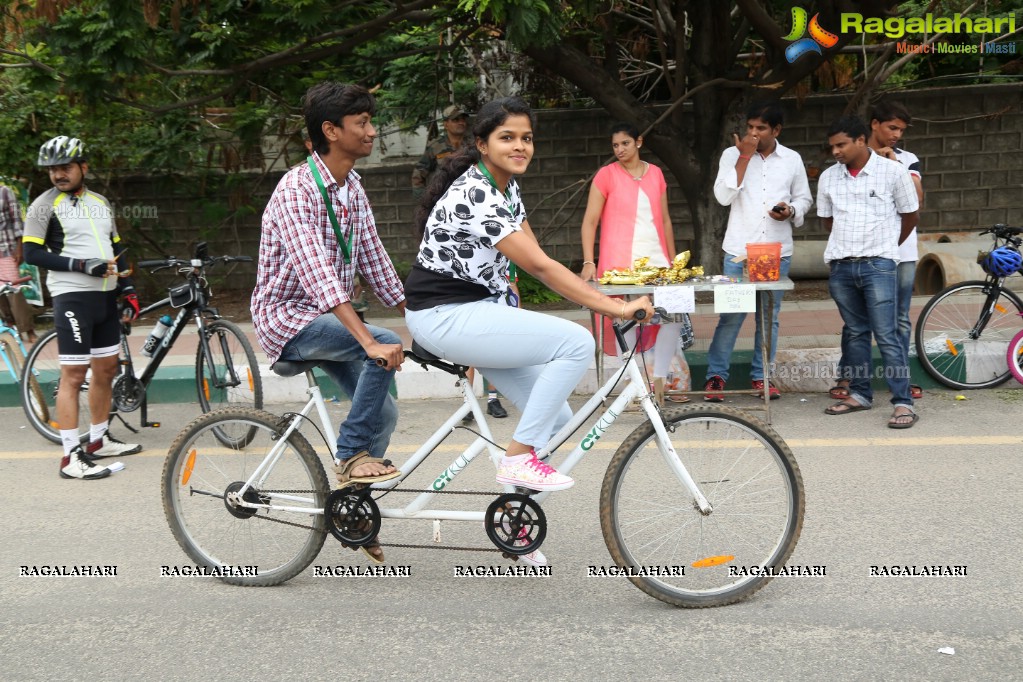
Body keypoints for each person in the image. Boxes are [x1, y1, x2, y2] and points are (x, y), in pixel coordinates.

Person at [404, 98, 654, 565]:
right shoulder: (476, 192)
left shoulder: (506, 188)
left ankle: (513, 524)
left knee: (557, 422)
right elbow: (541, 265)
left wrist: (593, 294)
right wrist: (615, 308)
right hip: (444, 314)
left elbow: (533, 256)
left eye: (526, 137)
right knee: (575, 341)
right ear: (481, 144)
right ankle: (517, 458)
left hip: (479, 312)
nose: (520, 146)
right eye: (507, 137)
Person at [252, 81, 406, 563]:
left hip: (327, 319)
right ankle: (351, 456)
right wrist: (371, 340)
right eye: (361, 123)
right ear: (330, 131)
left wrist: (427, 316)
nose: (372, 131)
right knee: (379, 342)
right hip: (287, 321)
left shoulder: (353, 187)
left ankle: (351, 510)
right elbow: (320, 277)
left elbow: (376, 264)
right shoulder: (297, 189)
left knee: (386, 413)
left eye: (369, 121)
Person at [23, 136, 142, 480]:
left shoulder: (100, 202)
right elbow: (31, 253)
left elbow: (115, 246)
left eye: (65, 168)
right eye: (53, 169)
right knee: (74, 376)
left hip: (105, 297)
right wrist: (80, 265)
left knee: (105, 370)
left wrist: (129, 288)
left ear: (83, 167)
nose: (59, 174)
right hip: (72, 296)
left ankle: (98, 440)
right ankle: (70, 456)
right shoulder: (43, 206)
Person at [705, 101, 813, 401]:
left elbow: (804, 200)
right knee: (731, 315)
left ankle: (761, 376)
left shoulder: (792, 159)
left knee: (768, 317)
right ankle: (715, 376)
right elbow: (723, 197)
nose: (753, 133)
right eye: (750, 127)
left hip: (775, 251)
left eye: (760, 128)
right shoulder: (732, 155)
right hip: (739, 251)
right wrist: (744, 157)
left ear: (776, 130)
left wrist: (789, 211)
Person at [817, 116, 920, 429]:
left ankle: (903, 403)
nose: (835, 151)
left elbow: (911, 215)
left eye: (841, 144)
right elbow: (827, 220)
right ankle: (860, 394)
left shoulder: (893, 172)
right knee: (857, 332)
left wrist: (886, 248)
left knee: (887, 334)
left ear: (861, 140)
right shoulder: (828, 178)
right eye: (832, 146)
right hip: (842, 266)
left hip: (879, 264)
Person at [579, 122, 687, 406]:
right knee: (629, 323)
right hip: (620, 265)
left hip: (658, 261)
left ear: (639, 142)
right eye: (615, 146)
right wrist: (589, 260)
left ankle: (663, 384)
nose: (619, 150)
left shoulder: (657, 174)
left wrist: (675, 262)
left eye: (625, 143)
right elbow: (590, 221)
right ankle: (635, 387)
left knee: (668, 320)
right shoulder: (606, 175)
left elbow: (664, 220)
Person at [0, 177, 37, 343]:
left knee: (14, 290)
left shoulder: (5, 192)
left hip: (6, 249)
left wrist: (19, 247)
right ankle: (10, 329)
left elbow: (17, 222)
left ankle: (28, 330)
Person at [410, 104, 469, 198]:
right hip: (443, 199)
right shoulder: (436, 146)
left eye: (463, 119)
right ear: (446, 124)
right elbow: (419, 172)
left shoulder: (473, 145)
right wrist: (423, 198)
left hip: (469, 197)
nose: (461, 123)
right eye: (456, 120)